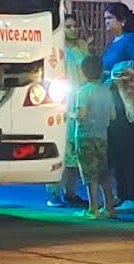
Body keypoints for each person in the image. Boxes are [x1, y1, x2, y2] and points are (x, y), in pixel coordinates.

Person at [100, 2, 134, 212]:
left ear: (122, 21)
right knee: (117, 149)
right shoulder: (114, 42)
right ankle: (122, 192)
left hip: (126, 102)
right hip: (112, 101)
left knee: (128, 149)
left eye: (110, 18)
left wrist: (117, 75)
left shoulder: (130, 41)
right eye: (106, 19)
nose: (107, 22)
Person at [47, 13, 89, 208]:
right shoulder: (55, 48)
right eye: (68, 27)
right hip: (62, 102)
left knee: (75, 152)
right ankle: (54, 192)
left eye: (74, 26)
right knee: (60, 150)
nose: (72, 30)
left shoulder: (81, 48)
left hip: (79, 101)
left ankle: (70, 192)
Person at [71, 55, 117, 219]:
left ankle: (93, 208)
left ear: (83, 72)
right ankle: (109, 207)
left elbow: (81, 114)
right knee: (103, 171)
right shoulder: (106, 91)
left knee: (89, 173)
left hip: (85, 135)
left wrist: (70, 113)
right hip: (102, 135)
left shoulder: (83, 91)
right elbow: (113, 115)